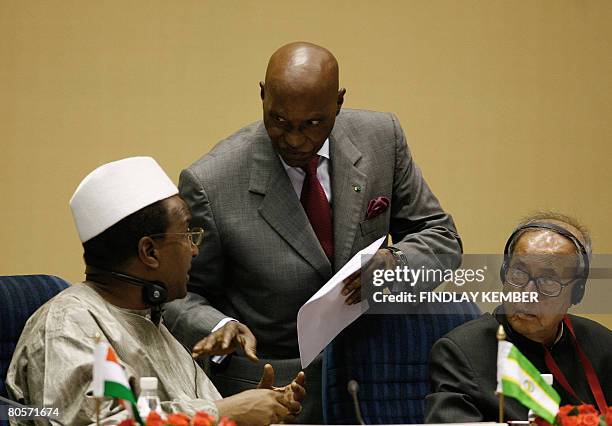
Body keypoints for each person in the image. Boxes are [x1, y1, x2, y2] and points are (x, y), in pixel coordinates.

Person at [163, 41, 462, 422]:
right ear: (262, 96)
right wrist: (219, 325)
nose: (295, 139)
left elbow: (440, 236)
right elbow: (181, 294)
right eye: (280, 122)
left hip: (375, 374)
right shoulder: (211, 182)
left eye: (313, 124)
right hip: (275, 388)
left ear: (338, 103)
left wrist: (397, 262)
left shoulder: (381, 139)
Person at [6, 157, 305, 426]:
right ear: (149, 252)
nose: (195, 249)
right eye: (187, 233)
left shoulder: (148, 319)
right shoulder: (67, 328)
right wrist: (225, 413)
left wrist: (259, 410)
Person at [425, 212, 612, 423]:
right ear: (504, 275)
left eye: (548, 280)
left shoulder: (603, 346)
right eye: (519, 274)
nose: (527, 293)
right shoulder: (461, 353)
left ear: (577, 292)